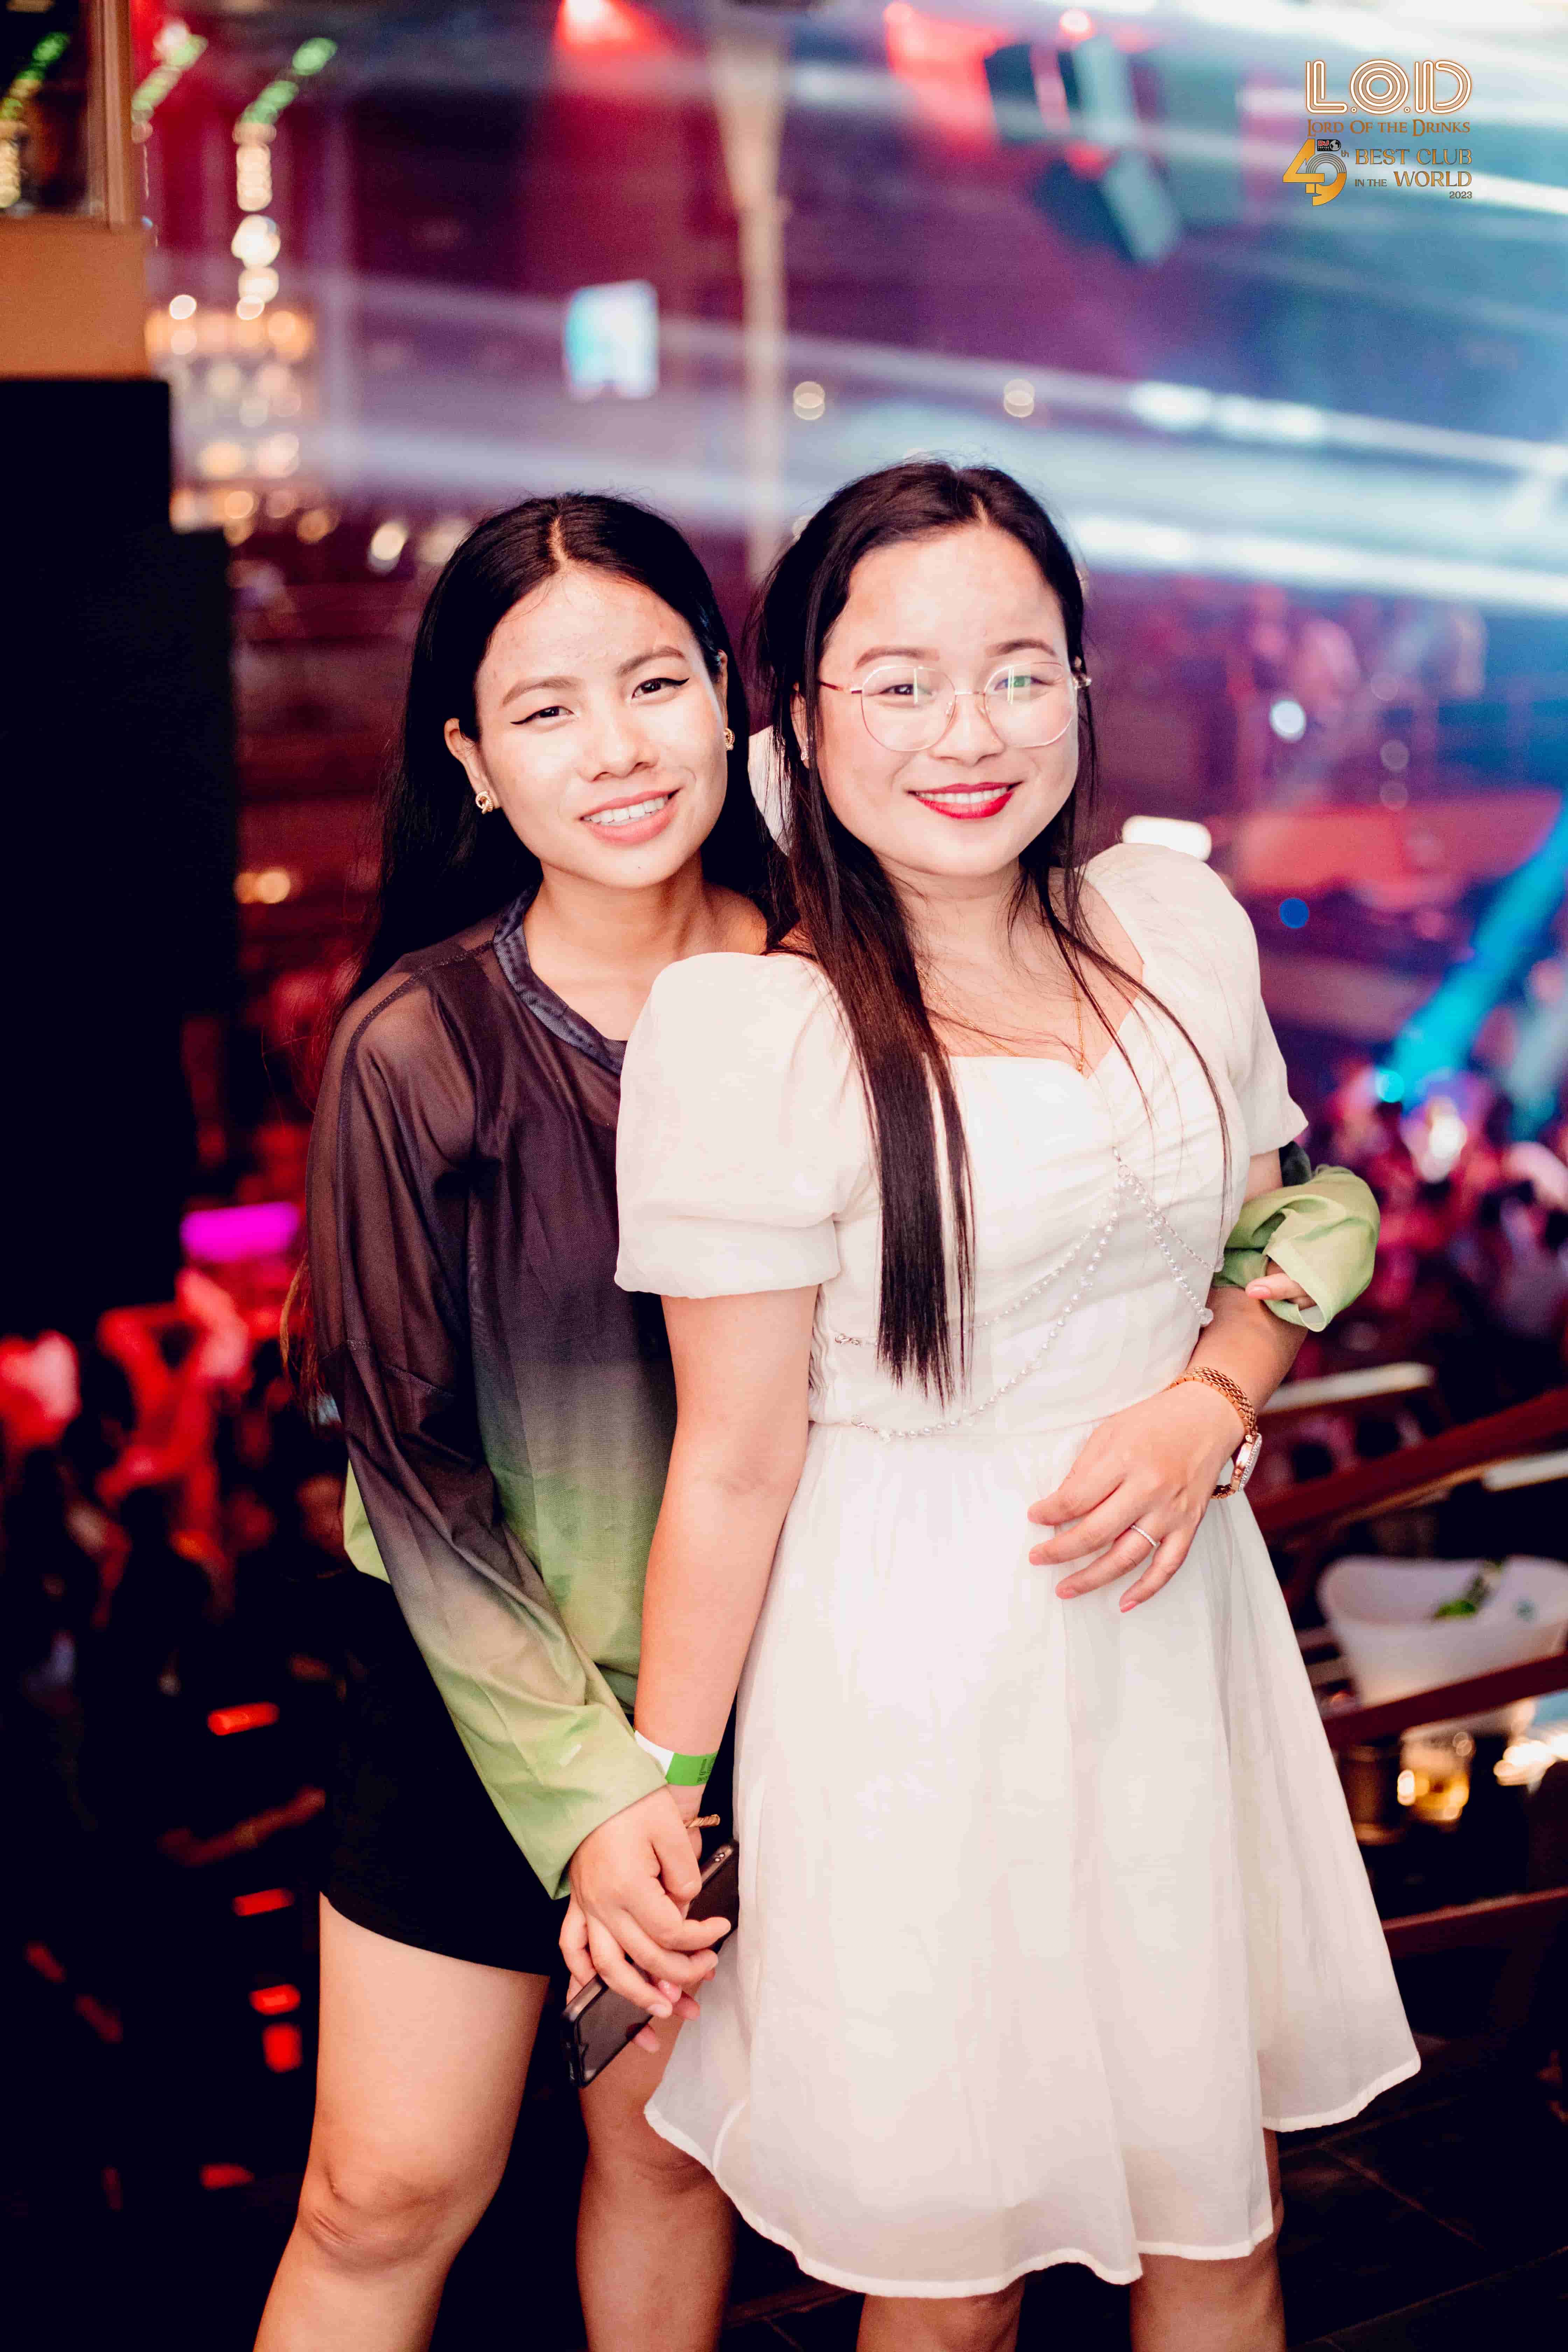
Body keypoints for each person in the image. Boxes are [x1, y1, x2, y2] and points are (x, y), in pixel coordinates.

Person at [594, 463, 1418, 2352]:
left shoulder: (1173, 925)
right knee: (952, 2285)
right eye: (900, 683)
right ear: (804, 720)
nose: (968, 733)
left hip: (1173, 1638)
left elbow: (1285, 1226)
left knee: (1221, 2228)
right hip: (908, 1679)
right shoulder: (753, 1034)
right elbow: (733, 1464)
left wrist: (1211, 1398)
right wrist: (660, 1786)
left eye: (1019, 673)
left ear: (1080, 687)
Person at [254, 495, 775, 2352]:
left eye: (653, 683)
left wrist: (1224, 1372)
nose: (616, 747)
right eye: (546, 710)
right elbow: (411, 1473)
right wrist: (600, 1800)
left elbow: (1260, 1188)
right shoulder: (421, 1044)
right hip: (484, 1702)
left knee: (668, 2165)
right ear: (471, 759)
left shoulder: (837, 983)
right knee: (382, 2195)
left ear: (729, 693)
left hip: (762, 1698)